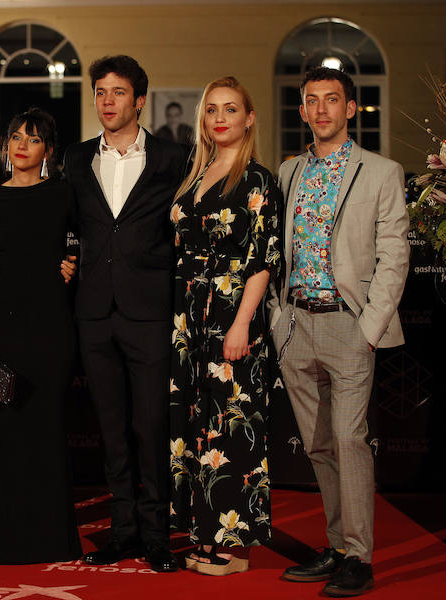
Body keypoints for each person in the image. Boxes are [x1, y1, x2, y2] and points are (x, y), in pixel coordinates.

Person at [270, 67, 409, 597]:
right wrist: (279, 321)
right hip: (295, 323)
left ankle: (361, 558)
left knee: (350, 440)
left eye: (333, 100)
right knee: (319, 445)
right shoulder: (287, 174)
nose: (322, 109)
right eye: (312, 101)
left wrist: (369, 329)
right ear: (302, 111)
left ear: (351, 109)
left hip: (349, 324)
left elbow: (395, 256)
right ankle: (336, 547)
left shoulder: (381, 172)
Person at [62, 55, 187, 573]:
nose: (106, 101)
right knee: (111, 428)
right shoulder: (74, 158)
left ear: (139, 100)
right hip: (93, 310)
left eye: (117, 92)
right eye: (100, 93)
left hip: (150, 310)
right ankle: (122, 532)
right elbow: (66, 224)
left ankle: (158, 535)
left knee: (150, 425)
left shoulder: (174, 158)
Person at [168, 76, 281, 576]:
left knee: (231, 428)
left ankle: (232, 548)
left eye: (230, 109)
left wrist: (241, 325)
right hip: (188, 315)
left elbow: (261, 262)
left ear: (248, 118)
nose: (220, 117)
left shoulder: (257, 180)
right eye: (212, 109)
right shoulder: (196, 174)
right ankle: (201, 533)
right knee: (196, 428)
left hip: (232, 313)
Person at [0, 108, 82, 565]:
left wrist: (74, 264)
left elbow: (77, 241)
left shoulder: (63, 194)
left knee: (48, 430)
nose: (21, 145)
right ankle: (11, 542)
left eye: (32, 139)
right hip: (4, 331)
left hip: (53, 328)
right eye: (16, 136)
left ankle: (53, 539)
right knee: (9, 432)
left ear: (47, 151)